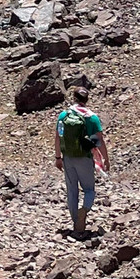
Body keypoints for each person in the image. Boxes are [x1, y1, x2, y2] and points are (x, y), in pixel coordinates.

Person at [55, 86, 110, 240]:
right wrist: (106, 158)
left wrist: (58, 157)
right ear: (87, 100)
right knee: (89, 189)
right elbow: (99, 140)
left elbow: (58, 137)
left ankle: (75, 223)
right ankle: (84, 210)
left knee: (72, 190)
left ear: (73, 98)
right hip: (85, 157)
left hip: (68, 157)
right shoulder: (92, 117)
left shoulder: (64, 115)